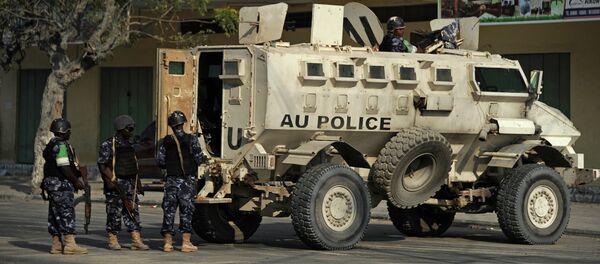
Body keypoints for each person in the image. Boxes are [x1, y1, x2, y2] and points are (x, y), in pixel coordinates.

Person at [97, 115, 149, 250]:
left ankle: (136, 239)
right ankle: (113, 239)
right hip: (116, 184)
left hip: (130, 183)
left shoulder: (130, 145)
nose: (131, 132)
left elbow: (134, 165)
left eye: (132, 129)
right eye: (129, 129)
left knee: (133, 211)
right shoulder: (108, 144)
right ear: (121, 129)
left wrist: (138, 184)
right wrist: (112, 180)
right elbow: (102, 165)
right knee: (114, 212)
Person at [156, 111, 204, 252]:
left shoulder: (166, 141)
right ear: (183, 123)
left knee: (169, 211)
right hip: (187, 181)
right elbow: (199, 159)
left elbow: (160, 161)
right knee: (186, 210)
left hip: (171, 180)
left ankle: (167, 243)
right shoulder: (192, 139)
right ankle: (186, 243)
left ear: (171, 125)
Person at [41, 118, 88, 255]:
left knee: (55, 214)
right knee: (66, 212)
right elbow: (64, 167)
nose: (70, 134)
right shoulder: (61, 146)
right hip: (61, 184)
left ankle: (56, 244)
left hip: (52, 184)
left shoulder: (51, 145)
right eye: (69, 131)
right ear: (63, 131)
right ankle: (70, 244)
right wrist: (76, 181)